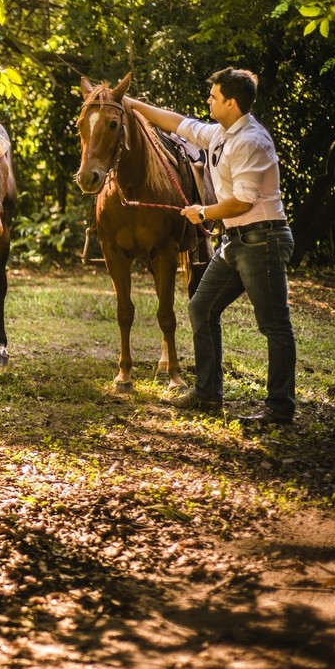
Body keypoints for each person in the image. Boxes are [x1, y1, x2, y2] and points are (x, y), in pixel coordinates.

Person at [125, 67, 296, 426]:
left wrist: (202, 212)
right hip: (236, 241)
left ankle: (280, 408)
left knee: (274, 325)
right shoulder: (220, 133)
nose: (208, 101)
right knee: (201, 308)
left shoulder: (251, 141)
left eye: (214, 97)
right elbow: (178, 123)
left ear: (231, 103)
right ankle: (207, 395)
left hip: (263, 240)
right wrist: (130, 103)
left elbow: (243, 201)